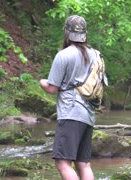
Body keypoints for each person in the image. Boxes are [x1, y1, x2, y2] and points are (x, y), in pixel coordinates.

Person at [40, 15, 103, 180]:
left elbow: (52, 88)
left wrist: (42, 82)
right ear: (85, 33)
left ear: (66, 32)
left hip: (70, 113)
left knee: (63, 162)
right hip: (89, 115)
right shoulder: (96, 54)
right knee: (83, 163)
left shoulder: (64, 55)